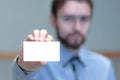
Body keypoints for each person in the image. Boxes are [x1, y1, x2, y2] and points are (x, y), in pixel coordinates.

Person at [12, 0, 115, 80]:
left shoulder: (104, 66)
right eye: (68, 18)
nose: (77, 27)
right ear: (54, 20)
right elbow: (22, 74)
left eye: (84, 19)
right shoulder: (37, 61)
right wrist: (25, 69)